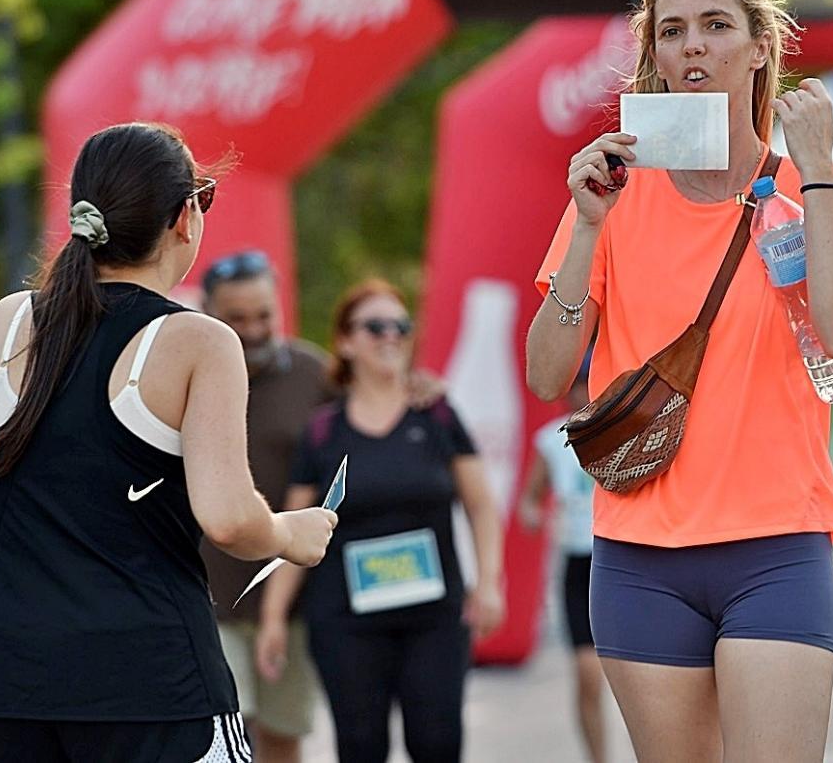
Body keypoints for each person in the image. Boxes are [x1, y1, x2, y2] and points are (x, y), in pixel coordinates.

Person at [526, 0, 833, 761]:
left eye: (717, 25)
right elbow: (547, 375)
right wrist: (584, 228)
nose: (693, 45)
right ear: (654, 56)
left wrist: (817, 172)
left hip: (777, 543)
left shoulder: (825, 186)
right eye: (672, 30)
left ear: (759, 49)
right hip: (639, 552)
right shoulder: (613, 194)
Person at [0, 122, 337, 762]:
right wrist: (293, 534)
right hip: (147, 683)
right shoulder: (198, 340)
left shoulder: (8, 321)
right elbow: (230, 519)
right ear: (184, 217)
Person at [255, 278, 504, 763]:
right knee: (361, 746)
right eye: (375, 326)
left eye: (400, 326)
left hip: (433, 617)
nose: (390, 335)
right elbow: (294, 529)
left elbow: (480, 505)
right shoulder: (322, 431)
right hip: (345, 621)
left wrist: (490, 582)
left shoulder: (436, 415)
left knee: (438, 743)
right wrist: (273, 619)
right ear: (346, 341)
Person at [199, 250, 333, 763]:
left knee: (282, 734)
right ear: (208, 312)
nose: (254, 329)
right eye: (237, 317)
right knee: (223, 738)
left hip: (292, 599)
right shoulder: (188, 373)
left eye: (264, 315)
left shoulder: (314, 374)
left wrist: (419, 388)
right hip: (207, 594)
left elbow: (373, 407)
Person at [517, 355, 607, 763]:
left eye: (587, 381)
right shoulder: (551, 440)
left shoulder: (623, 424)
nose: (581, 391)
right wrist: (537, 516)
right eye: (576, 383)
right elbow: (530, 500)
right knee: (588, 674)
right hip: (578, 562)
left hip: (620, 552)